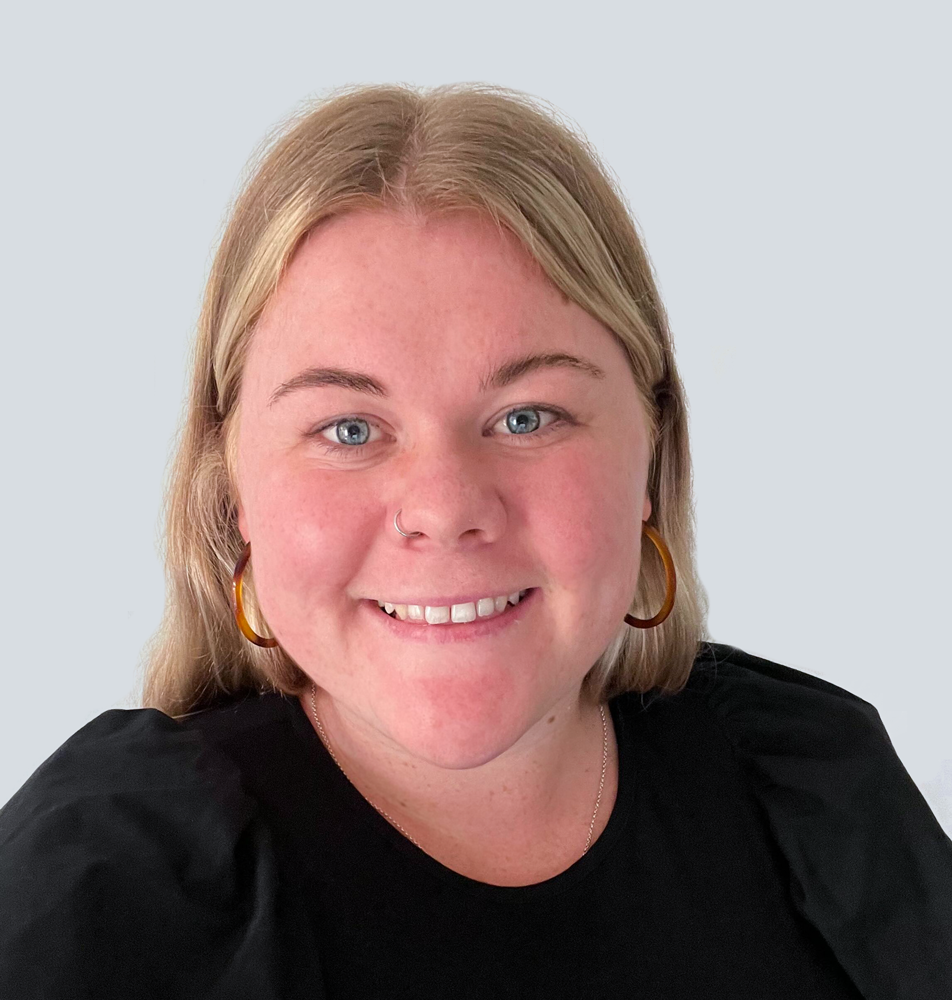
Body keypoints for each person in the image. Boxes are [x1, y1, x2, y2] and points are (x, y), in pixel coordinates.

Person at [0, 83, 949, 1000]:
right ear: (231, 489)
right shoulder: (107, 887)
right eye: (349, 429)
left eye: (528, 417)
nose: (445, 506)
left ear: (652, 455)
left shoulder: (813, 791)